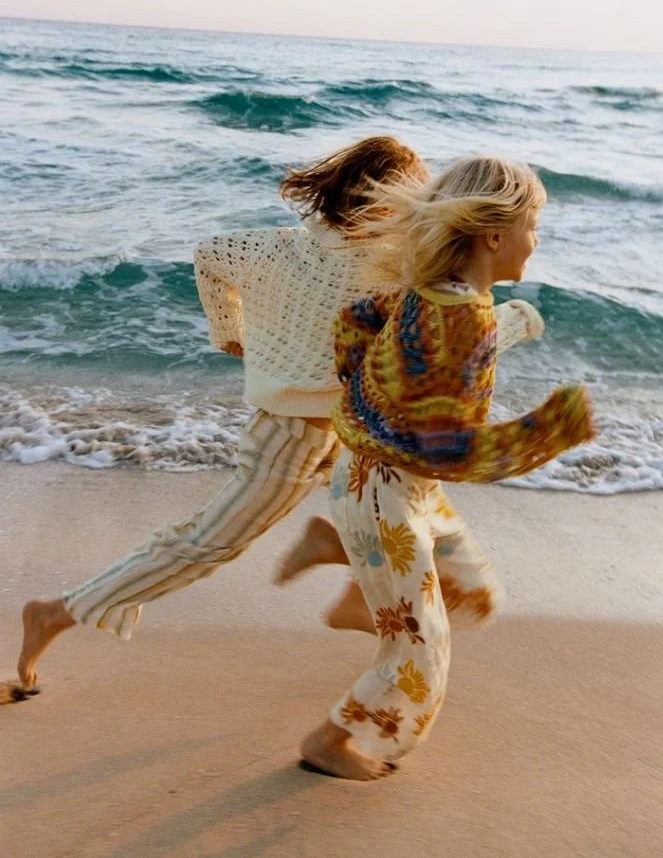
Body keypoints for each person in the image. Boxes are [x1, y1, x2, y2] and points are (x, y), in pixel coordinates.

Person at [14, 137, 542, 693]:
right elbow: (444, 342)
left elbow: (209, 256)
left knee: (428, 536)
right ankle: (57, 611)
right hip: (293, 442)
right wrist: (510, 322)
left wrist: (231, 334)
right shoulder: (390, 265)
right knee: (200, 546)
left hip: (355, 442)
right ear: (382, 202)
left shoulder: (280, 248)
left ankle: (347, 573)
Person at [299, 155, 595, 781]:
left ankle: (351, 564)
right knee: (420, 647)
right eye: (533, 227)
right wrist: (554, 428)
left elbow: (356, 320)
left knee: (477, 595)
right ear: (494, 234)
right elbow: (448, 450)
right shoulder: (464, 316)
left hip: (392, 484)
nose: (536, 242)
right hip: (385, 493)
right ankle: (329, 742)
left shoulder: (433, 291)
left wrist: (369, 395)